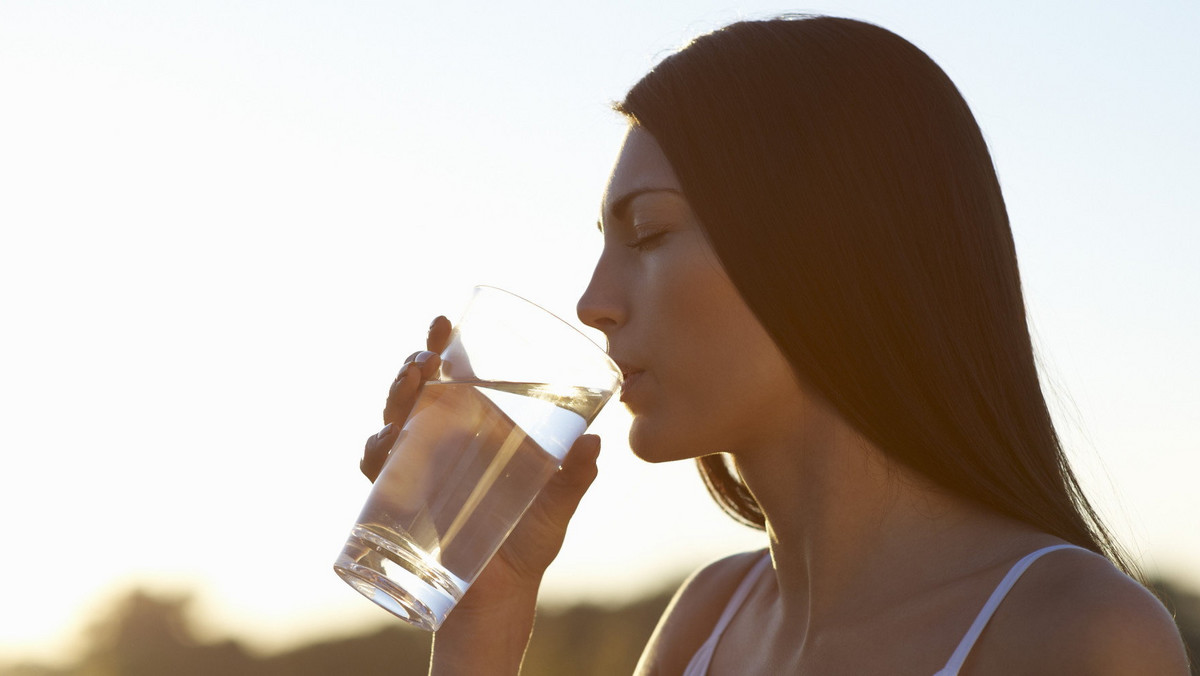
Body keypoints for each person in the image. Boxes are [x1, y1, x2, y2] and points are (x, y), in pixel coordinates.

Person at [361, 15, 1189, 675]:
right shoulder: (706, 625)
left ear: (824, 248)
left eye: (647, 233)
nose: (593, 302)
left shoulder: (1079, 636)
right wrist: (485, 615)